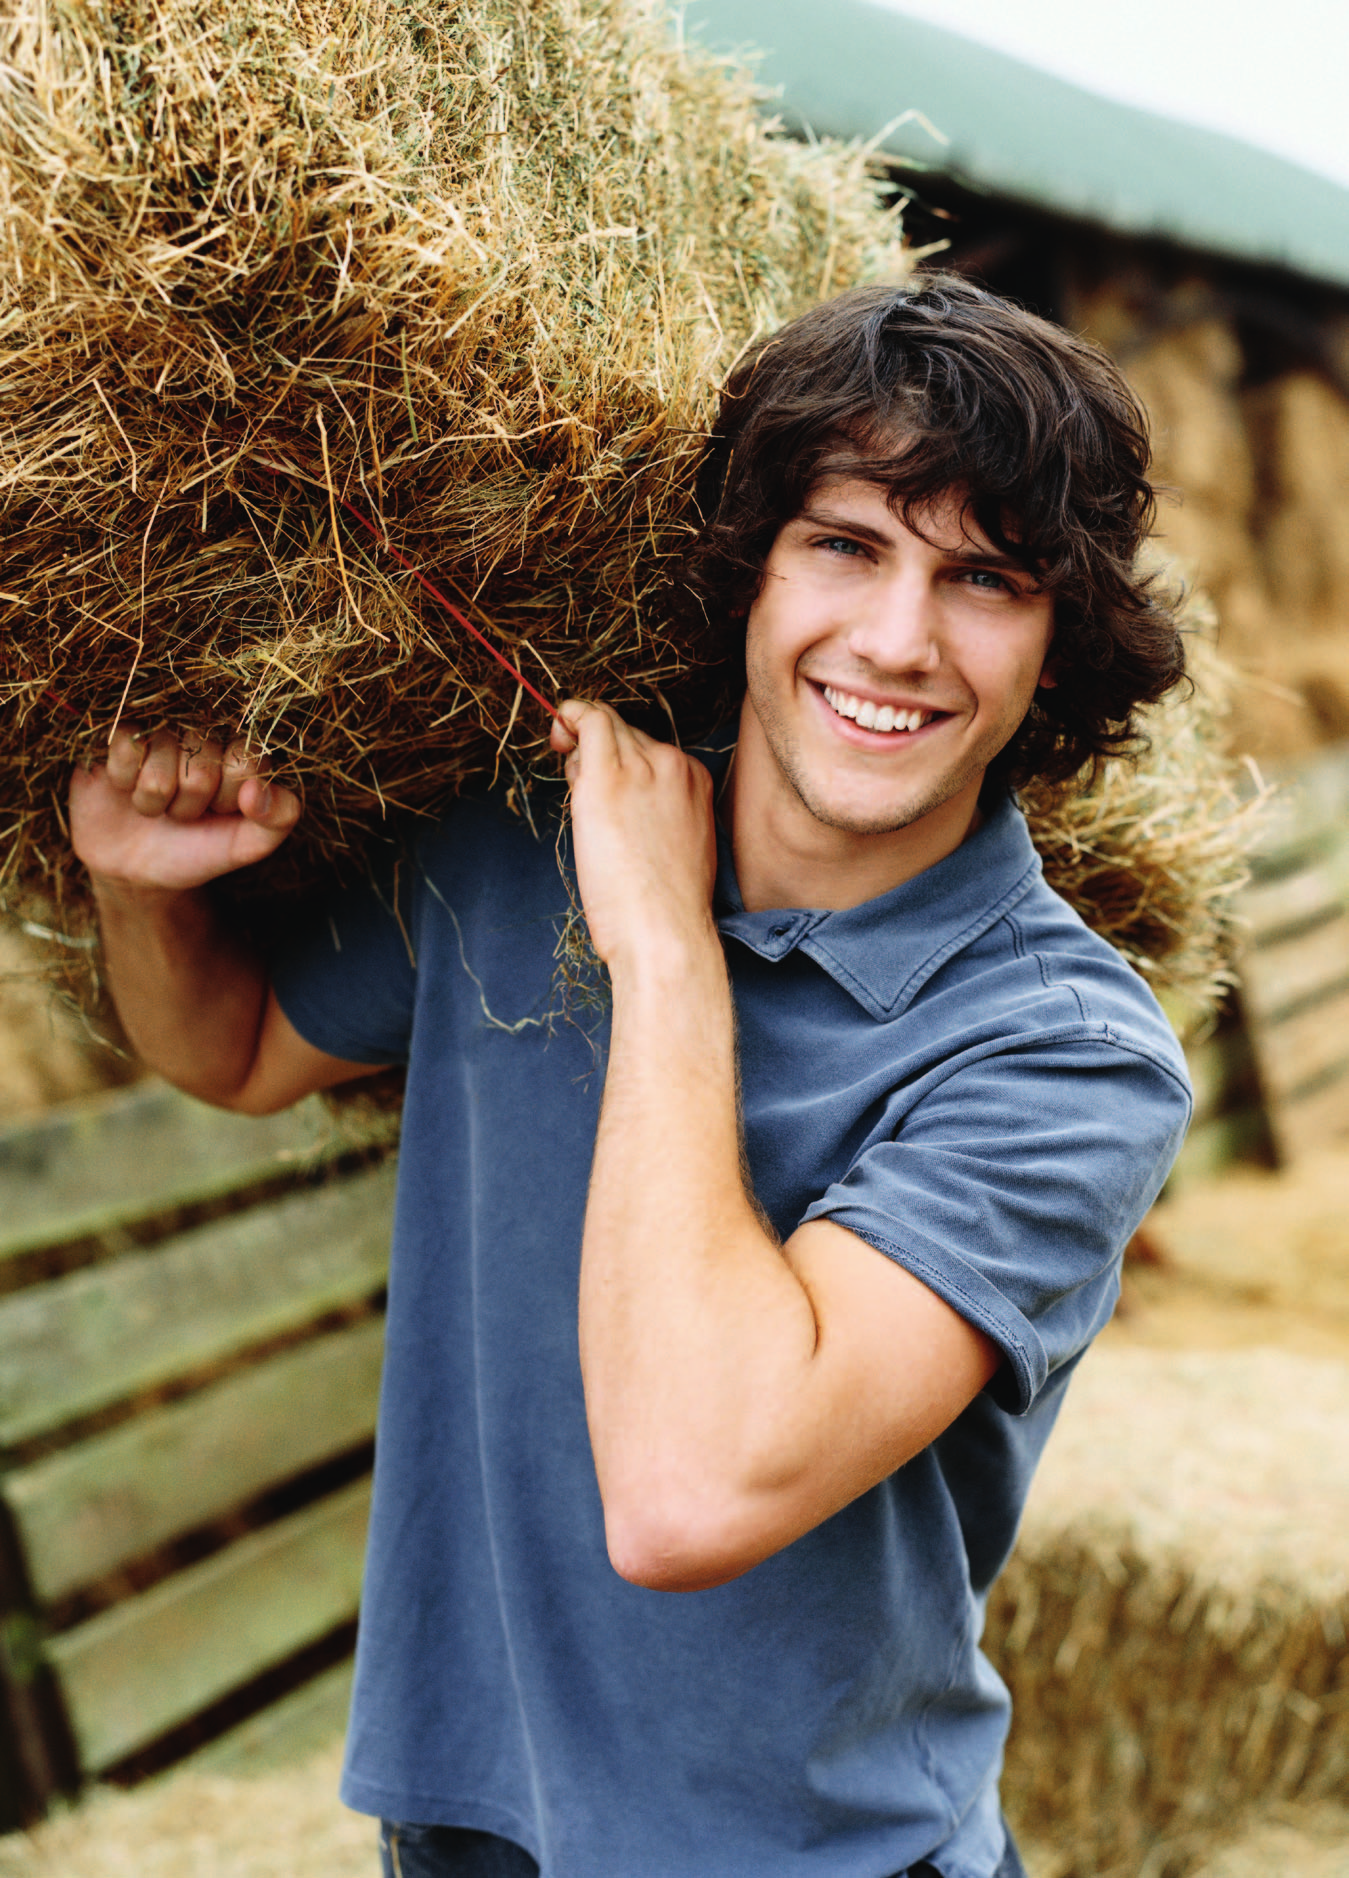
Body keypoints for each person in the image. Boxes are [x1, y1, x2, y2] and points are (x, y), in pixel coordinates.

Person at [70, 276, 1192, 1878]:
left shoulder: (1064, 1053)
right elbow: (239, 1051)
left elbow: (687, 1494)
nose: (896, 639)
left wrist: (665, 950)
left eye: (986, 578)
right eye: (846, 544)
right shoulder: (523, 842)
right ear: (749, 566)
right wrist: (139, 885)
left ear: (1058, 644)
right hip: (464, 1821)